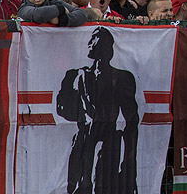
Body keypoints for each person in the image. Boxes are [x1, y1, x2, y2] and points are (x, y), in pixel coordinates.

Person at [56, 27, 139, 194]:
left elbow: (131, 119)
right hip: (84, 139)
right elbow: (61, 108)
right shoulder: (75, 76)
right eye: (92, 39)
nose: (92, 43)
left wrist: (128, 156)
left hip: (109, 141)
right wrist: (83, 108)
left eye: (98, 40)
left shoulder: (122, 77)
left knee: (104, 183)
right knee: (80, 183)